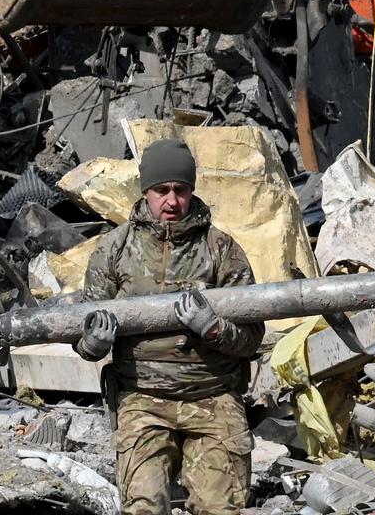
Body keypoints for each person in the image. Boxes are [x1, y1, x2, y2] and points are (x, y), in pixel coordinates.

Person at [76, 138, 264, 515]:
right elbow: (81, 340)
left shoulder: (222, 250)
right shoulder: (114, 250)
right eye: (162, 190)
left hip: (212, 396)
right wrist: (94, 343)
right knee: (144, 507)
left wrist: (212, 328)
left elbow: (252, 339)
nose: (172, 201)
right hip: (143, 398)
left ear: (192, 190)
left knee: (219, 509)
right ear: (146, 190)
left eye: (181, 190)